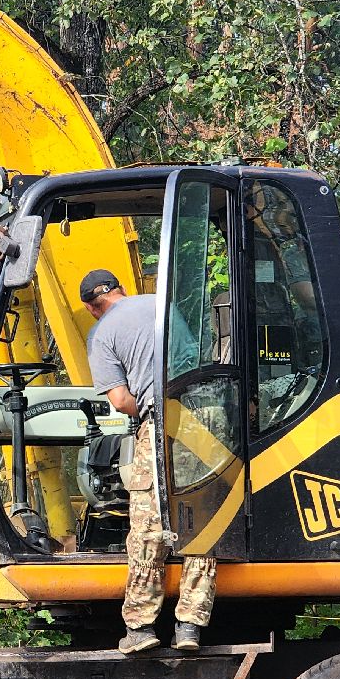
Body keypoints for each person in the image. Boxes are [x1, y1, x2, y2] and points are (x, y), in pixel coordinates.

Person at [81, 269, 216, 655]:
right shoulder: (164, 305)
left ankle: (141, 628)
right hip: (208, 415)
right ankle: (189, 626)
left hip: (163, 422)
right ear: (120, 288)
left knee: (149, 523)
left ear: (93, 305)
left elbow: (122, 400)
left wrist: (145, 418)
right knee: (200, 519)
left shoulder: (102, 332)